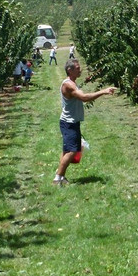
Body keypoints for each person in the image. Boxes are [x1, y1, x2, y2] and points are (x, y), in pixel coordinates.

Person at [55, 58, 115, 186]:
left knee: (67, 150)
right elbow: (84, 98)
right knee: (72, 151)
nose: (80, 69)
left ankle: (61, 176)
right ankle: (57, 178)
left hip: (71, 122)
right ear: (69, 70)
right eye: (77, 68)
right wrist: (103, 91)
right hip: (69, 122)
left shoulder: (73, 82)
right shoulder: (68, 85)